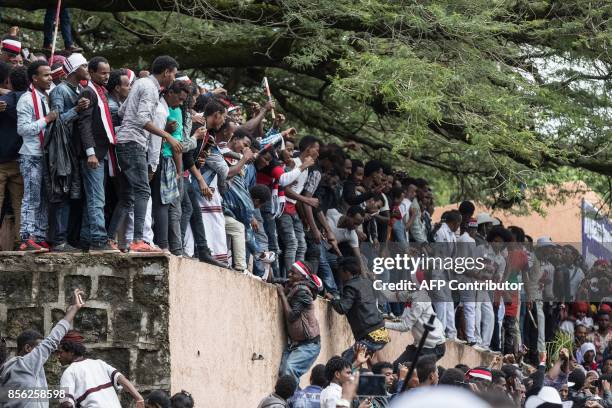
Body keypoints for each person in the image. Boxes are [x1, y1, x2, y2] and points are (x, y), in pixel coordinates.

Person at [108, 55, 181, 252]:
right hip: (133, 142)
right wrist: (168, 136)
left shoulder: (140, 83)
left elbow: (123, 112)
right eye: (173, 75)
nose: (173, 79)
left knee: (127, 196)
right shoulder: (150, 88)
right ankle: (138, 240)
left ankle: (109, 239)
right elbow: (141, 119)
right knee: (143, 191)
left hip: (124, 141)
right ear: (166, 72)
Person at [0, 289, 85, 408]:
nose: (44, 352)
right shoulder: (26, 364)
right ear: (28, 348)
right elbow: (52, 340)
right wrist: (74, 309)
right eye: (39, 347)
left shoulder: (8, 372)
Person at [48, 52, 91, 252]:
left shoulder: (78, 90)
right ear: (75, 69)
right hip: (61, 151)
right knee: (62, 195)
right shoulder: (60, 91)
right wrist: (76, 109)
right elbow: (56, 122)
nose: (88, 69)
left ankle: (70, 239)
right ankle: (59, 241)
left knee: (74, 197)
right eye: (85, 65)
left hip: (74, 151)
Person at [77, 56, 119, 253]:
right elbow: (84, 125)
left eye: (108, 72)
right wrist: (90, 153)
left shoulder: (102, 92)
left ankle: (86, 239)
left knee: (93, 198)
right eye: (103, 72)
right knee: (97, 199)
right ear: (92, 73)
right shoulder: (88, 92)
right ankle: (99, 240)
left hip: (102, 153)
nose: (106, 76)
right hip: (93, 155)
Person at [16, 60, 57, 251]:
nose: (50, 78)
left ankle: (39, 236)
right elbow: (23, 129)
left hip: (45, 155)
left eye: (50, 74)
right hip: (31, 155)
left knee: (43, 198)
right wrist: (46, 120)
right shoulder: (26, 99)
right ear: (34, 78)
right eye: (46, 75)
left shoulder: (46, 97)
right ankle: (27, 237)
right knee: (31, 197)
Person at [57, 330, 145, 407]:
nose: (58, 356)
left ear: (71, 352)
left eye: (61, 352)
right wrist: (139, 398)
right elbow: (120, 378)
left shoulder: (68, 373)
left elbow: (67, 404)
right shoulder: (99, 363)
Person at [327, 256, 390, 361]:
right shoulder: (367, 282)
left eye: (340, 272)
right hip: (381, 332)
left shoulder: (351, 286)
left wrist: (333, 299)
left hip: (369, 335)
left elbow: (342, 308)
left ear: (347, 272)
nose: (340, 276)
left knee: (345, 361)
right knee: (371, 364)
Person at [277, 135, 320, 273]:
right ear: (308, 149)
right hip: (284, 206)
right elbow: (285, 188)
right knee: (292, 243)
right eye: (316, 150)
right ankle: (291, 275)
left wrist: (303, 217)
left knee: (302, 245)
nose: (318, 154)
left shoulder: (307, 168)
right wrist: (306, 200)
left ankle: (299, 275)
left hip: (293, 209)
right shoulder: (294, 163)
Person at [277, 261, 323, 382]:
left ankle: (295, 400)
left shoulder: (302, 292)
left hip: (308, 344)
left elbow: (292, 316)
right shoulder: (295, 287)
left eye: (293, 273)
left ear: (302, 276)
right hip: (298, 344)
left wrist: (282, 295)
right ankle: (295, 399)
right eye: (290, 271)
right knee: (285, 373)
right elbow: (277, 280)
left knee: (289, 370)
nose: (289, 274)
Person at [0, 65, 27, 248]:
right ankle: (19, 242)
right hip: (20, 160)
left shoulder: (3, 102)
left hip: (1, 160)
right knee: (20, 206)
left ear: (9, 81)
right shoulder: (32, 101)